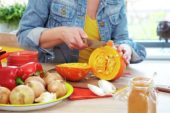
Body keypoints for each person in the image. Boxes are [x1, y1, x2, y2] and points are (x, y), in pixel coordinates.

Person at [17, 0, 146, 64]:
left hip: (102, 82)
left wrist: (125, 47)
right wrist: (61, 33)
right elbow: (24, 36)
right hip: (56, 81)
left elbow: (122, 39)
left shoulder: (117, 2)